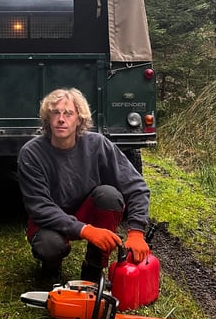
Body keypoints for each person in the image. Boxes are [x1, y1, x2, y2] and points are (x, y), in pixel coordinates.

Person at [17, 87, 150, 282]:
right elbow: (40, 208)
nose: (61, 119)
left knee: (109, 195)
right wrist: (86, 230)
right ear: (48, 118)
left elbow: (137, 187)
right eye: (55, 113)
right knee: (49, 246)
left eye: (68, 113)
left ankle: (94, 268)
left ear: (79, 119)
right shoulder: (31, 153)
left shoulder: (97, 144)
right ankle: (51, 270)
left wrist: (137, 232)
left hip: (83, 210)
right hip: (49, 222)